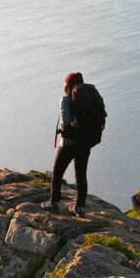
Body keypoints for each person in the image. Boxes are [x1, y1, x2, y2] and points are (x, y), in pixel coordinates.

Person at [52, 71, 105, 214]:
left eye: (64, 82)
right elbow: (103, 114)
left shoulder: (66, 99)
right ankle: (79, 206)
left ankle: (54, 202)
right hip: (85, 141)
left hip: (69, 143)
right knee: (81, 175)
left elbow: (66, 121)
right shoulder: (90, 96)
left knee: (57, 173)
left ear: (68, 84)